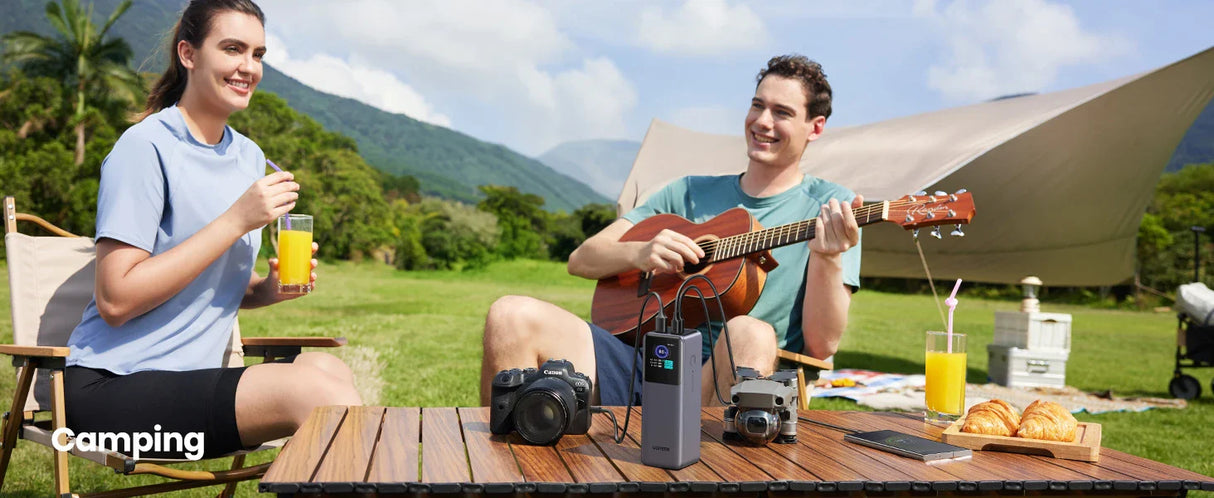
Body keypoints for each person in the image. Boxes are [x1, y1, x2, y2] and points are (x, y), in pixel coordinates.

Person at [64, 0, 360, 459]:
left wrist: (267, 289)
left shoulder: (248, 157)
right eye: (232, 49)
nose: (248, 67)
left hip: (194, 382)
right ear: (188, 54)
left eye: (258, 54)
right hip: (114, 392)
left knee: (329, 370)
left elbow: (214, 287)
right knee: (312, 393)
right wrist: (236, 221)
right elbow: (116, 300)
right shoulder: (144, 147)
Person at [480, 55, 863, 407]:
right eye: (757, 105)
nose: (763, 121)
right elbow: (582, 259)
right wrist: (640, 252)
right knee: (509, 314)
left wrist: (828, 257)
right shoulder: (687, 191)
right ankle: (500, 476)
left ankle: (717, 479)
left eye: (782, 112)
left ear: (815, 127)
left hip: (723, 378)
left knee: (750, 331)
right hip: (639, 359)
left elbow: (822, 344)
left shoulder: (831, 208)